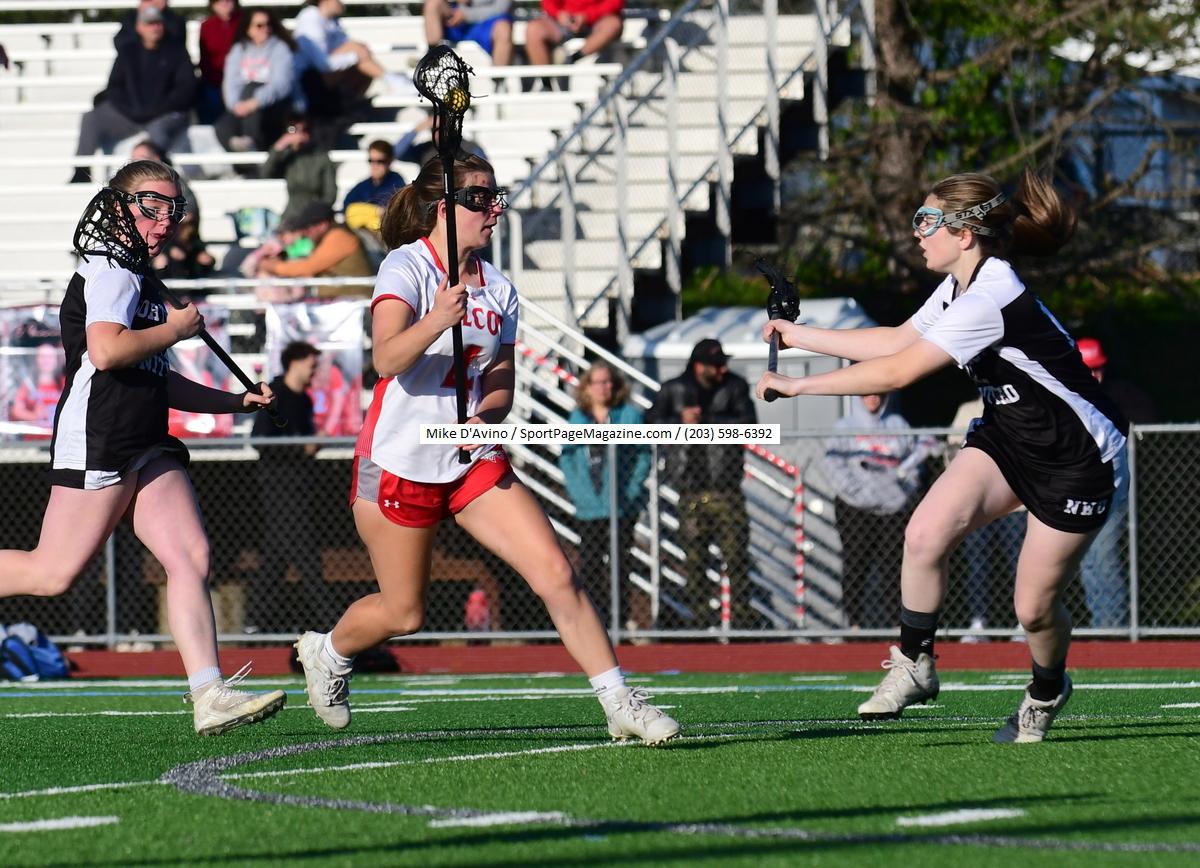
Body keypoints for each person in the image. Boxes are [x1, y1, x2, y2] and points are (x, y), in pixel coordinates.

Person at [293, 153, 678, 745]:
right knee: (405, 613)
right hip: (399, 459)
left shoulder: (498, 287)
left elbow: (500, 379)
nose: (494, 208)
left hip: (469, 458)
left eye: (496, 196)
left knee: (557, 573)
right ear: (443, 208)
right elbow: (387, 358)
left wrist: (485, 418)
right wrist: (436, 319)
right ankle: (328, 652)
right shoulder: (406, 266)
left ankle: (620, 701)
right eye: (479, 198)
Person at [756, 168, 1128, 743]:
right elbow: (895, 339)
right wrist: (797, 335)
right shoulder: (960, 285)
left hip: (1075, 459)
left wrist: (799, 386)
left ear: (964, 233)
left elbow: (899, 370)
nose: (917, 233)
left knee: (1033, 609)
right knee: (925, 535)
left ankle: (1047, 687)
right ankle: (915, 663)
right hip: (1009, 438)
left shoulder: (990, 294)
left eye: (926, 221)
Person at [0, 160, 285, 735]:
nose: (162, 223)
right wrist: (176, 330)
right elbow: (107, 351)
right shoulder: (112, 271)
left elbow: (158, 378)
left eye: (170, 212)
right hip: (102, 435)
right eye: (150, 208)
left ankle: (209, 693)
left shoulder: (139, 278)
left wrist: (235, 401)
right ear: (118, 207)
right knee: (51, 573)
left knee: (189, 556)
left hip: (146, 438)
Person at [647, 338, 758, 630]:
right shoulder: (673, 389)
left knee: (736, 558)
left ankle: (742, 621)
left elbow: (749, 423)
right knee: (694, 560)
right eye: (716, 365)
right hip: (690, 490)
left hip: (726, 488)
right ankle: (700, 623)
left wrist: (708, 422)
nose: (723, 370)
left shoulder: (734, 386)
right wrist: (679, 422)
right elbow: (649, 424)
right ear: (699, 366)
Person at [822, 393, 938, 629]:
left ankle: (897, 624)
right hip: (855, 508)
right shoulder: (845, 427)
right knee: (856, 563)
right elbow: (833, 465)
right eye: (867, 392)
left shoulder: (898, 424)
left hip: (893, 508)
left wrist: (903, 491)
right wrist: (858, 491)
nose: (873, 397)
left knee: (894, 567)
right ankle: (854, 625)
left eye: (879, 393)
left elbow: (912, 465)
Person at [558, 361, 652, 631]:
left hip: (622, 506)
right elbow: (568, 458)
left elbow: (642, 456)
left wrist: (631, 489)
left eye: (608, 382)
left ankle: (619, 622)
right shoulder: (577, 418)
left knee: (621, 564)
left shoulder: (629, 415)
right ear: (587, 387)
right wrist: (578, 492)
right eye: (598, 382)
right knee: (590, 564)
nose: (604, 387)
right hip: (589, 506)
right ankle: (594, 624)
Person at [1075, 337, 1159, 628]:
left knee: (1104, 553)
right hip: (1079, 488)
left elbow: (1144, 429)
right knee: (1086, 559)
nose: (1094, 374)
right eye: (1088, 368)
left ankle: (1112, 625)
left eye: (1098, 368)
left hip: (1113, 486)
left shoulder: (1121, 394)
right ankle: (1102, 622)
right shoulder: (1065, 394)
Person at [250, 340, 329, 632]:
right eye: (311, 365)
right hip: (278, 486)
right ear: (295, 362)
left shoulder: (304, 400)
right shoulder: (276, 395)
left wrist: (311, 445)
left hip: (301, 486)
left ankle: (254, 622)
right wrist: (300, 448)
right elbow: (260, 440)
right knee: (304, 555)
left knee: (277, 556)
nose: (314, 371)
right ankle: (329, 620)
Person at [71, 5, 196, 184]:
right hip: (130, 116)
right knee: (92, 118)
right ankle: (81, 171)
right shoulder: (128, 52)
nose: (155, 27)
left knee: (159, 132)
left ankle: (162, 180)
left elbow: (186, 89)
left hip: (163, 115)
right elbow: (114, 87)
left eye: (158, 23)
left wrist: (157, 110)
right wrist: (133, 111)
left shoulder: (176, 51)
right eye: (150, 23)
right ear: (139, 27)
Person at [949, 396, 1025, 642]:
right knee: (977, 563)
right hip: (977, 505)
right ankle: (978, 621)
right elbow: (952, 453)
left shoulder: (1022, 403)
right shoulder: (967, 410)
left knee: (1021, 564)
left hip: (1016, 505)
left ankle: (1024, 622)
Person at [293, 0, 415, 129]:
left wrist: (357, 53)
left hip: (322, 79)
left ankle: (384, 86)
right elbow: (323, 64)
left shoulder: (331, 21)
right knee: (356, 49)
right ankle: (392, 81)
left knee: (361, 58)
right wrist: (355, 56)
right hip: (308, 84)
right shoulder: (310, 18)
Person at [129, 139, 216, 280]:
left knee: (187, 257)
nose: (136, 164)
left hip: (176, 240)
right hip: (142, 244)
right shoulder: (128, 187)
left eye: (141, 159)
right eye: (133, 160)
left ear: (156, 159)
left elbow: (188, 216)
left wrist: (170, 246)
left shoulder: (173, 184)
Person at [215, 7, 297, 155]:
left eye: (268, 24)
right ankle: (242, 158)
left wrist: (255, 102)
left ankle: (251, 142)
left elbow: (281, 84)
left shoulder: (280, 48)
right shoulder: (238, 50)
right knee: (222, 126)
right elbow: (230, 82)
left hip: (273, 106)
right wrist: (236, 105)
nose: (266, 29)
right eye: (259, 25)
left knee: (252, 88)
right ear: (248, 29)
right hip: (242, 106)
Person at [254, 201, 374, 298]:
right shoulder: (330, 236)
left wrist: (271, 266)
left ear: (322, 225)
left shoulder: (338, 237)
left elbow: (306, 268)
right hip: (345, 302)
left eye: (307, 227)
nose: (304, 232)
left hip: (355, 304)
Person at [524, 0, 624, 83]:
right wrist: (559, 14)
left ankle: (570, 60)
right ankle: (546, 84)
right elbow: (548, 2)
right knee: (533, 29)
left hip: (598, 21)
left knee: (613, 25)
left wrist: (587, 16)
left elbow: (615, 3)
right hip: (563, 22)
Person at [263, 115, 338, 224]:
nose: (298, 135)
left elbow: (330, 195)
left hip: (315, 218)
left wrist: (316, 215)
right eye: (293, 130)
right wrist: (280, 146)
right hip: (291, 216)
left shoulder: (321, 158)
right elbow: (266, 173)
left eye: (304, 130)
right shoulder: (289, 157)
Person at [423, 0, 514, 67]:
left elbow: (502, 8)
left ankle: (499, 81)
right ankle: (432, 60)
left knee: (503, 30)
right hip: (454, 21)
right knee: (432, 3)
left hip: (488, 23)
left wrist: (466, 14)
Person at [8, 343, 67, 440]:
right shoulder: (27, 385)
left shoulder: (65, 383)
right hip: (35, 440)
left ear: (56, 360)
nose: (46, 361)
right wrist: (34, 416)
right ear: (36, 359)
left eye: (50, 357)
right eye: (42, 357)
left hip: (60, 440)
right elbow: (16, 410)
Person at [198, 0, 243, 124]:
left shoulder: (244, 22)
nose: (224, 3)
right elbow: (205, 57)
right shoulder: (207, 26)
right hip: (214, 81)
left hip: (240, 81)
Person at [342, 140, 406, 226]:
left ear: (389, 161)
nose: (374, 165)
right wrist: (376, 211)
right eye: (371, 160)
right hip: (363, 229)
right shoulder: (364, 185)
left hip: (385, 228)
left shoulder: (396, 183)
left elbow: (393, 211)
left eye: (380, 161)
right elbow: (347, 206)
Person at [114, 0, 186, 52]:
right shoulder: (132, 19)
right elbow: (121, 44)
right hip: (137, 63)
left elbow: (176, 45)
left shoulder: (175, 21)